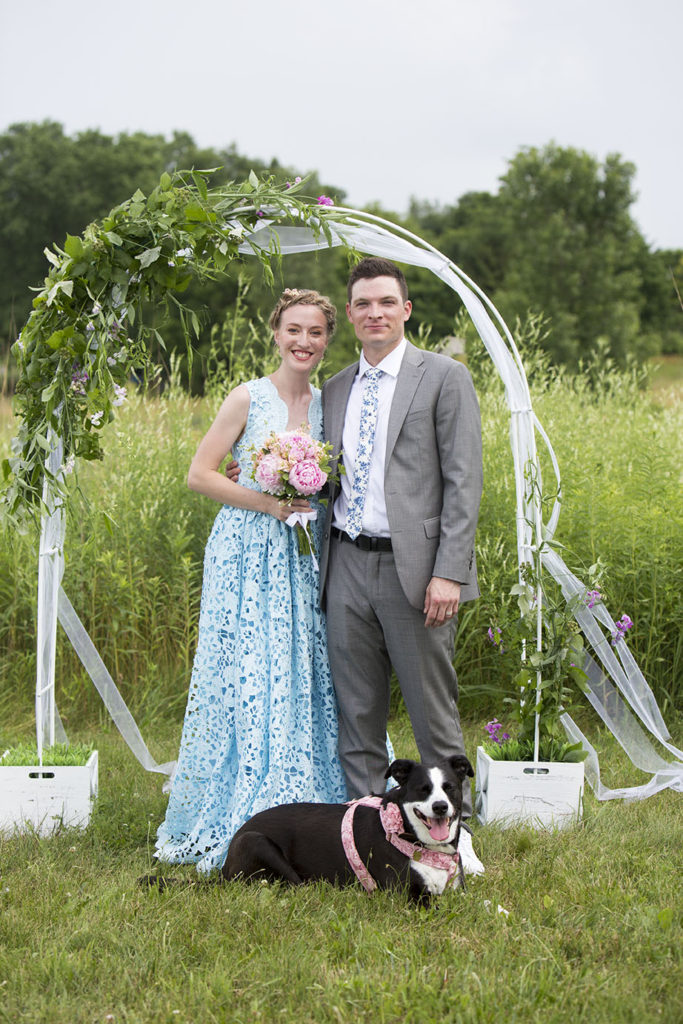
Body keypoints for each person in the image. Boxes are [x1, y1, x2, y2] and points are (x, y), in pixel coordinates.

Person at [156, 288, 346, 874]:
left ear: (327, 339)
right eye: (294, 330)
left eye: (315, 333)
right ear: (275, 332)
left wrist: (305, 496)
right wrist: (268, 504)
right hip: (245, 553)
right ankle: (245, 799)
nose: (304, 342)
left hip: (302, 553)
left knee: (298, 666)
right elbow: (200, 474)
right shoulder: (248, 396)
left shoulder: (327, 402)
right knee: (249, 668)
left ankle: (306, 798)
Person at [319, 257, 484, 873]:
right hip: (346, 567)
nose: (374, 313)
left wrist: (450, 572)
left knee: (432, 715)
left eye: (386, 302)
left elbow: (464, 483)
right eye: (362, 304)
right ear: (352, 312)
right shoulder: (335, 388)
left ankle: (456, 844)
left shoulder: (443, 377)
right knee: (357, 717)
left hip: (417, 574)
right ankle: (371, 843)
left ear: (406, 309)